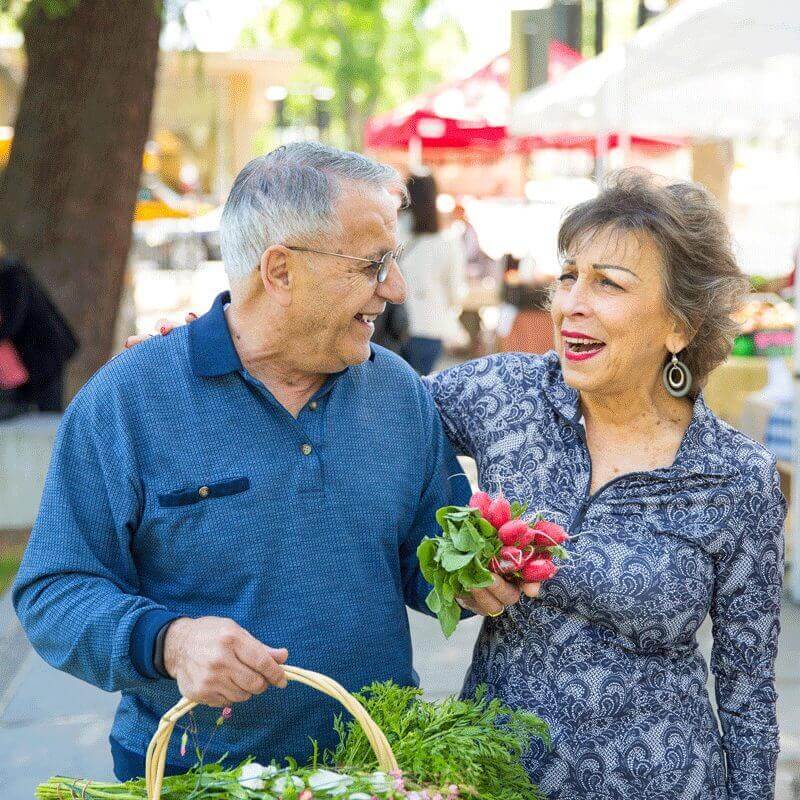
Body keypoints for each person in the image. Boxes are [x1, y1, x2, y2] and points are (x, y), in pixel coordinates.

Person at [12, 143, 537, 781]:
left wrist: (468, 575)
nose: (395, 287)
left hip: (373, 769)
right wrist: (170, 641)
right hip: (193, 778)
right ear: (280, 270)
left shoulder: (398, 390)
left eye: (392, 260)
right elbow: (52, 591)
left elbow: (422, 554)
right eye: (373, 264)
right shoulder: (127, 402)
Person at [426, 170, 785, 800]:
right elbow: (377, 427)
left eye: (607, 284)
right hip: (496, 779)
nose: (570, 304)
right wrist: (447, 543)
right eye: (568, 276)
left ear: (681, 326)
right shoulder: (506, 396)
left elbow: (747, 691)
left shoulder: (735, 477)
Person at [399, 173, 464, 375]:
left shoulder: (393, 235)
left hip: (397, 328)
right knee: (421, 390)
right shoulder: (447, 244)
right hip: (431, 327)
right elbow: (456, 294)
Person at [0, 245, 79, 413]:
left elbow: (14, 320)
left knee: (48, 413)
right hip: (33, 356)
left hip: (45, 352)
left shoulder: (11, 275)